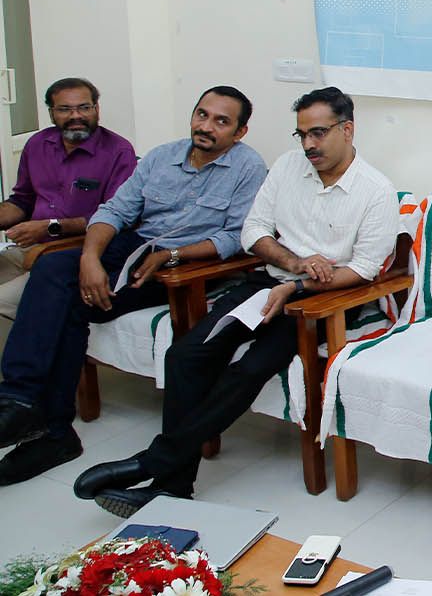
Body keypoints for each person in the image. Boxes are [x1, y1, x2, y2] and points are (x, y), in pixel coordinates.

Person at [74, 86, 398, 516]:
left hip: (320, 300)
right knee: (186, 356)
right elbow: (253, 231)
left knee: (248, 369)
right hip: (269, 281)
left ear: (348, 130)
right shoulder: (288, 167)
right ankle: (174, 486)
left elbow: (363, 270)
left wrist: (298, 287)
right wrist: (293, 264)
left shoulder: (375, 191)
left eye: (318, 133)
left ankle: (156, 464)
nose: (308, 145)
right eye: (301, 134)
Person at [0, 86, 266, 485]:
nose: (206, 126)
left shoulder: (248, 168)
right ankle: (20, 401)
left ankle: (50, 428)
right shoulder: (162, 156)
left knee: (69, 304)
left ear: (240, 132)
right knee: (54, 268)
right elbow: (114, 210)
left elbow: (235, 238)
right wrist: (90, 259)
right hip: (130, 245)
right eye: (202, 114)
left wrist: (172, 255)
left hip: (175, 262)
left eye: (221, 121)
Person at [0, 78, 136, 342]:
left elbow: (117, 218)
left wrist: (50, 227)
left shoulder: (118, 151)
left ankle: (21, 362)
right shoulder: (38, 144)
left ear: (96, 109)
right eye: (64, 109)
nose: (76, 116)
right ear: (52, 113)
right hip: (28, 249)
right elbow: (22, 201)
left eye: (84, 107)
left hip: (75, 253)